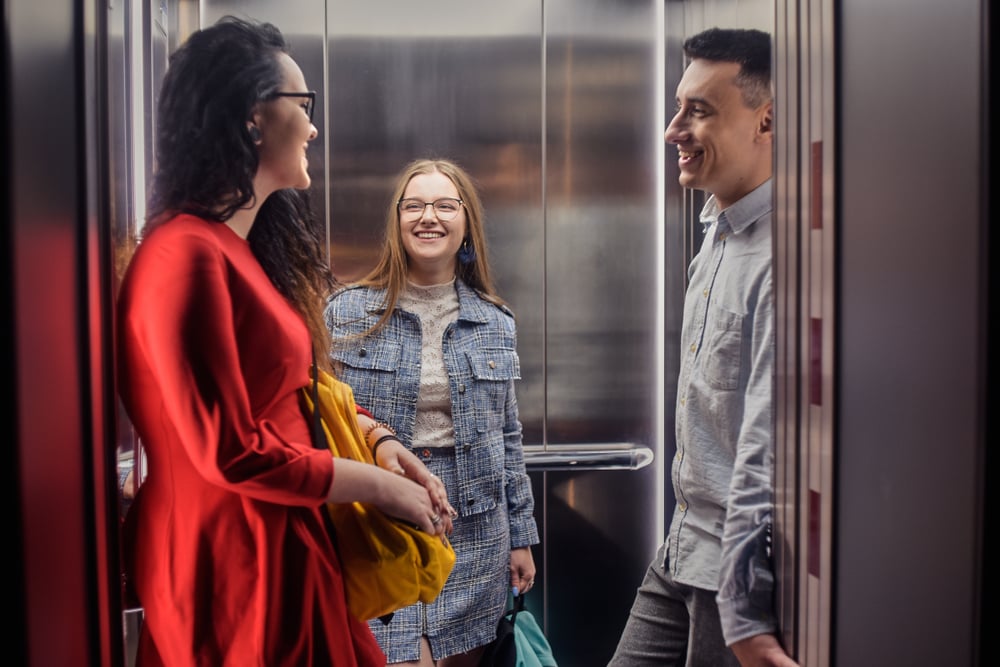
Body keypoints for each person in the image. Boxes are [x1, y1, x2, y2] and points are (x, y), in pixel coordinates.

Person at [116, 16, 456, 665]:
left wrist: (378, 442)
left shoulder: (222, 248)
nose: (314, 126)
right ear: (253, 119)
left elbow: (287, 396)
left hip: (273, 537)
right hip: (236, 559)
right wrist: (379, 488)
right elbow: (229, 449)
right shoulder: (184, 253)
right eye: (303, 106)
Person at [608, 28, 799, 667]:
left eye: (699, 110)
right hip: (680, 550)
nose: (672, 130)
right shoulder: (715, 232)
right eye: (677, 106)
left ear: (766, 119)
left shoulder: (786, 260)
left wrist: (743, 610)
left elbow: (766, 441)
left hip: (733, 574)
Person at [324, 158, 540, 667]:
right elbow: (325, 418)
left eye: (445, 205)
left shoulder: (495, 320)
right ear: (397, 222)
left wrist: (522, 537)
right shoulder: (346, 311)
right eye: (415, 205)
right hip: (380, 523)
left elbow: (507, 437)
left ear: (466, 223)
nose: (429, 217)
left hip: (475, 529)